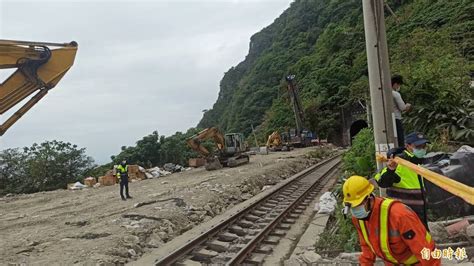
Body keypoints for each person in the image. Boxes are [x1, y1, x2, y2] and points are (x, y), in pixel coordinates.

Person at [343, 175, 439, 266]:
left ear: (369, 197)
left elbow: (425, 251)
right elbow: (366, 246)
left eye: (358, 205)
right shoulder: (358, 218)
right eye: (352, 206)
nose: (355, 209)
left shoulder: (399, 214)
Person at [374, 132, 430, 228]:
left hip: (419, 215)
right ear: (407, 146)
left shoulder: (418, 162)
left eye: (424, 146)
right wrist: (391, 170)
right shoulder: (399, 162)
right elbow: (381, 182)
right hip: (403, 218)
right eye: (418, 146)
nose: (422, 149)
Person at [392, 75, 412, 148]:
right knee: (400, 139)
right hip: (397, 119)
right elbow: (403, 108)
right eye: (399, 85)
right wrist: (408, 105)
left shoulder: (385, 94)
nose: (399, 87)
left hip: (389, 120)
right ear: (395, 84)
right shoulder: (395, 94)